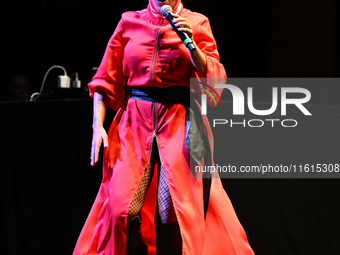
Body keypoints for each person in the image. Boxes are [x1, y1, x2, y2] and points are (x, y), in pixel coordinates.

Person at [73, 0, 254, 254]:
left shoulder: (197, 22)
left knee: (176, 214)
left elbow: (215, 84)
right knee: (119, 210)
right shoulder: (129, 21)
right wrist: (97, 126)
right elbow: (105, 79)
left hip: (181, 122)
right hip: (134, 123)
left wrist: (192, 48)